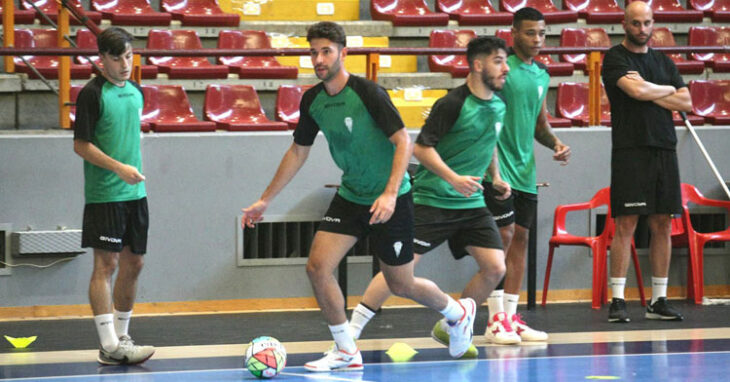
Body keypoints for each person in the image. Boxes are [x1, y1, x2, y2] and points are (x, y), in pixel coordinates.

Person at [240, 21, 476, 372]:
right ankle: (347, 351)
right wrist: (265, 200)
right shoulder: (314, 101)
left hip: (390, 199)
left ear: (343, 53)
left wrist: (391, 194)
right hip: (352, 195)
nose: (319, 59)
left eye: (326, 51)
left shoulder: (368, 93)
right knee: (318, 267)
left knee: (400, 282)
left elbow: (403, 142)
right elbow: (298, 152)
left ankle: (458, 313)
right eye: (314, 52)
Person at [348, 36, 518, 353]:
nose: (506, 68)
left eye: (505, 61)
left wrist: (496, 176)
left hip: (471, 203)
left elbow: (489, 140)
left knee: (495, 268)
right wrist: (453, 178)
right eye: (498, 61)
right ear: (478, 65)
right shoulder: (453, 104)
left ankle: (454, 323)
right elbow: (422, 149)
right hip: (432, 200)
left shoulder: (498, 105)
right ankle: (350, 334)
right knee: (396, 271)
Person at [482, 7, 570, 343]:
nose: (537, 39)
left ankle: (511, 318)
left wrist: (556, 143)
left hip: (526, 172)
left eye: (542, 33)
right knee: (498, 243)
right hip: (497, 172)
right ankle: (494, 321)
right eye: (530, 33)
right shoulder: (501, 69)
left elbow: (539, 123)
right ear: (514, 32)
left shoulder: (542, 74)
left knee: (520, 242)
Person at [601, 1, 690, 323]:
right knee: (626, 224)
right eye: (636, 23)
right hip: (630, 149)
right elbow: (634, 92)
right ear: (624, 24)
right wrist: (666, 91)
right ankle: (618, 300)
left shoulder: (663, 61)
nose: (642, 29)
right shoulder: (615, 59)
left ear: (654, 24)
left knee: (663, 224)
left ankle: (659, 299)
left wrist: (654, 88)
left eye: (648, 23)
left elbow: (687, 101)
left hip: (664, 148)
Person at [73, 27, 155, 365]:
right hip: (105, 194)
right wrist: (118, 167)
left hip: (136, 193)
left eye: (129, 56)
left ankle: (122, 337)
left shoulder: (136, 91)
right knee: (106, 264)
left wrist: (130, 172)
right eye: (117, 57)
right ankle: (108, 345)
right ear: (101, 60)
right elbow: (81, 145)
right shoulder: (91, 94)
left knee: (134, 263)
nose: (125, 64)